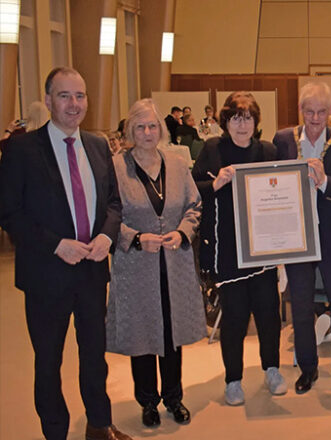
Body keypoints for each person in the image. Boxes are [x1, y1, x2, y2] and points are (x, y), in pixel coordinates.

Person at [0, 67, 130, 440]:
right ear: (48, 100)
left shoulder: (98, 145)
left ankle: (99, 425)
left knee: (94, 357)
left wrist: (106, 235)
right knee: (48, 362)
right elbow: (9, 212)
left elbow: (114, 203)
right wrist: (56, 244)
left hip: (91, 271)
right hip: (46, 274)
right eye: (64, 96)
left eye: (80, 96)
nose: (74, 104)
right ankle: (55, 432)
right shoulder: (22, 150)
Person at [105, 98, 205, 428]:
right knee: (143, 335)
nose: (147, 133)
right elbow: (105, 217)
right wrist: (135, 238)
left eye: (152, 126)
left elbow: (194, 205)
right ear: (129, 131)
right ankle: (147, 401)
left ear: (160, 129)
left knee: (170, 331)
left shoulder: (176, 163)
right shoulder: (116, 167)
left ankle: (174, 397)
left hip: (173, 263)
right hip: (136, 265)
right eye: (140, 127)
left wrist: (183, 231)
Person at [192, 91, 287, 405]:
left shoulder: (269, 150)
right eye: (235, 117)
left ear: (256, 121)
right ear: (226, 121)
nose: (242, 124)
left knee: (268, 314)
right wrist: (215, 183)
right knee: (233, 317)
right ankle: (233, 379)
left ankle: (272, 369)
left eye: (247, 118)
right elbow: (193, 191)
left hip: (264, 249)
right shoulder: (212, 150)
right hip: (228, 250)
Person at [273, 82, 331, 401]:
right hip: (295, 235)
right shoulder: (283, 139)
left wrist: (325, 182)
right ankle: (307, 368)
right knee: (301, 304)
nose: (315, 118)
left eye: (322, 112)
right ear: (300, 111)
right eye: (309, 111)